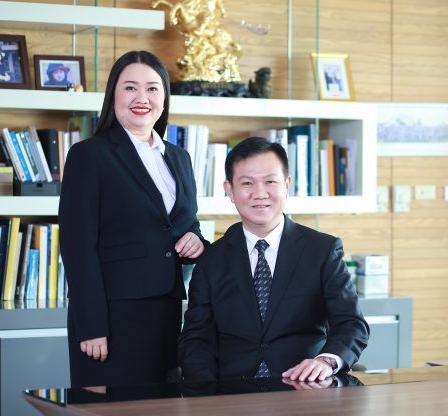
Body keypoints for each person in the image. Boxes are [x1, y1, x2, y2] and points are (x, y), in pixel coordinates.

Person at [59, 50, 208, 388]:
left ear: (164, 98)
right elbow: (77, 247)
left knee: (160, 407)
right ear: (113, 95)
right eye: (130, 88)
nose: (142, 98)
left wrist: (196, 241)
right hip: (111, 318)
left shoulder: (179, 158)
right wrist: (91, 325)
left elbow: (186, 224)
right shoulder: (89, 155)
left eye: (153, 89)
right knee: (108, 408)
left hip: (168, 314)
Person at [178, 137, 369, 383]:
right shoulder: (211, 259)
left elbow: (351, 324)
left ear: (287, 184)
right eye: (247, 183)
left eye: (270, 181)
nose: (260, 193)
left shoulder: (322, 250)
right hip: (232, 392)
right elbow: (196, 339)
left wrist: (326, 362)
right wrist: (206, 391)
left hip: (305, 388)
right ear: (230, 191)